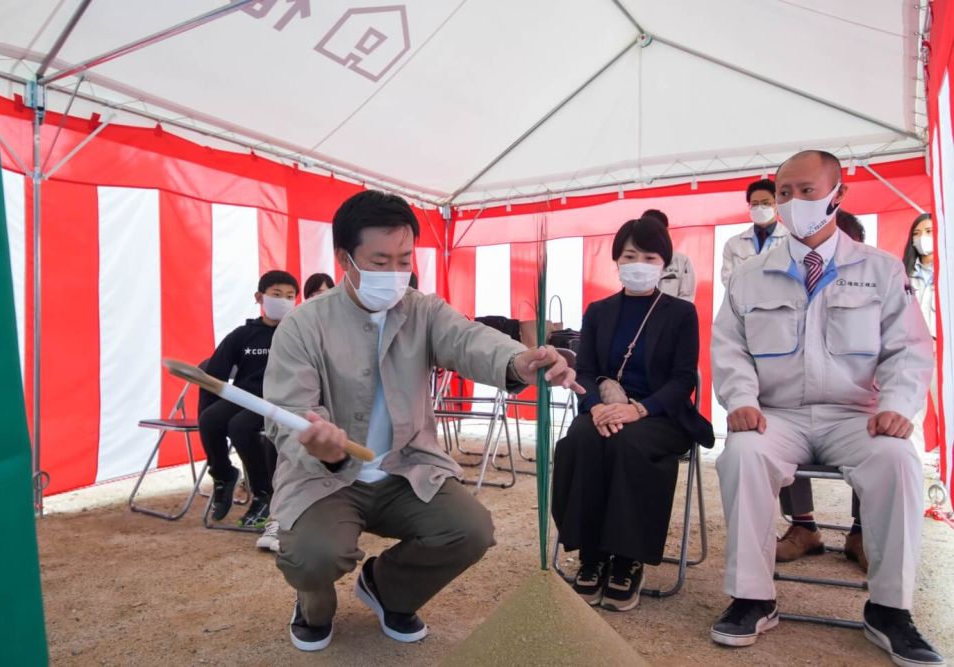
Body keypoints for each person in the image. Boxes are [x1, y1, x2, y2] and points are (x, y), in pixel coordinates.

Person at [263, 190, 583, 652]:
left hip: (404, 467)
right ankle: (313, 607)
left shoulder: (423, 310)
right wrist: (314, 444)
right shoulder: (304, 325)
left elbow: (471, 340)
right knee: (314, 554)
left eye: (403, 259)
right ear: (343, 259)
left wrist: (521, 361)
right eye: (379, 261)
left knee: (470, 530)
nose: (394, 274)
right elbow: (286, 414)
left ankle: (387, 589)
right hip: (325, 477)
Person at [710, 150, 943, 667]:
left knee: (899, 460)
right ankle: (753, 597)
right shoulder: (750, 274)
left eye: (806, 191)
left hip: (854, 414)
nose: (792, 203)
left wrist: (900, 404)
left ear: (838, 195)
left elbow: (909, 347)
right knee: (741, 454)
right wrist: (742, 400)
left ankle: (889, 610)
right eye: (785, 192)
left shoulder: (880, 270)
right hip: (778, 415)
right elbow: (729, 347)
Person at [552, 217, 714, 612]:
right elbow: (585, 371)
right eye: (629, 255)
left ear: (664, 263)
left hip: (659, 414)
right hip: (604, 408)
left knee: (629, 444)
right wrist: (597, 406)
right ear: (616, 260)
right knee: (581, 440)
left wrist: (638, 409)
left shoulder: (679, 313)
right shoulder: (599, 310)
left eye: (649, 255)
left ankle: (626, 559)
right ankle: (592, 553)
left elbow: (682, 380)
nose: (638, 262)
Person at [775, 207, 866, 569]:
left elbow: (901, 352)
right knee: (771, 425)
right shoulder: (781, 284)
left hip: (855, 408)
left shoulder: (878, 283)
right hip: (796, 404)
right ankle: (803, 527)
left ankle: (862, 531)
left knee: (883, 443)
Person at [199, 270, 299, 529]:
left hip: (280, 399)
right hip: (244, 396)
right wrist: (210, 412)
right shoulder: (243, 335)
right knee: (210, 418)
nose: (284, 301)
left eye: (290, 296)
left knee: (240, 426)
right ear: (259, 297)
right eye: (277, 295)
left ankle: (264, 494)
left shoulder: (298, 333)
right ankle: (224, 476)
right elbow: (213, 375)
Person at [905, 213, 939, 457]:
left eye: (928, 231)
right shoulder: (902, 274)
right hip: (912, 352)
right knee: (912, 415)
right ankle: (915, 470)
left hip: (945, 354)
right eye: (917, 233)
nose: (922, 238)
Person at [719, 178, 789, 287]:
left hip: (781, 302)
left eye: (766, 203)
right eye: (755, 204)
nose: (759, 208)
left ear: (777, 204)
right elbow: (728, 280)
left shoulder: (791, 239)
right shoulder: (733, 244)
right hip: (743, 302)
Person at [640, 209, 696, 301]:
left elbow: (687, 297)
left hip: (673, 314)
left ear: (666, 231)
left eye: (656, 230)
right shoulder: (635, 261)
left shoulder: (682, 261)